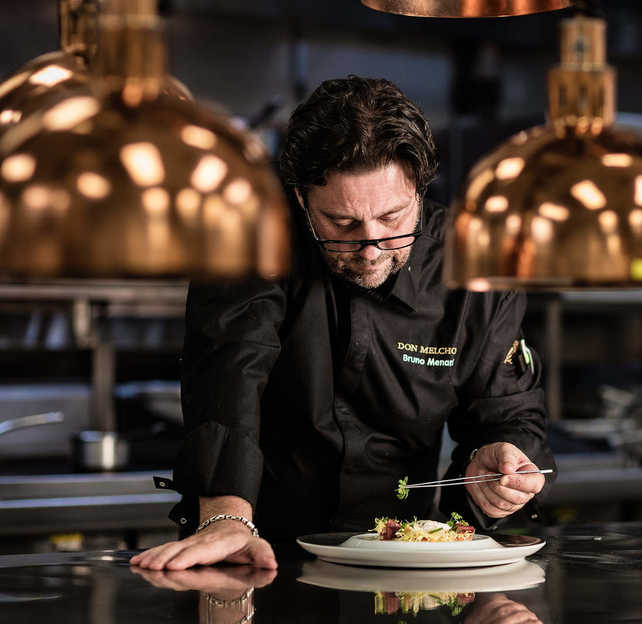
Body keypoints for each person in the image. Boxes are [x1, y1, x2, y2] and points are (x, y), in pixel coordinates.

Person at [130, 76, 555, 571]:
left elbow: (509, 412)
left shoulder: (474, 266)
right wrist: (226, 516)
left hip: (402, 559)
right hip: (254, 548)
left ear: (420, 187)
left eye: (392, 218)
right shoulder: (252, 238)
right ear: (302, 198)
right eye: (343, 224)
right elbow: (230, 372)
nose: (371, 247)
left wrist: (503, 466)